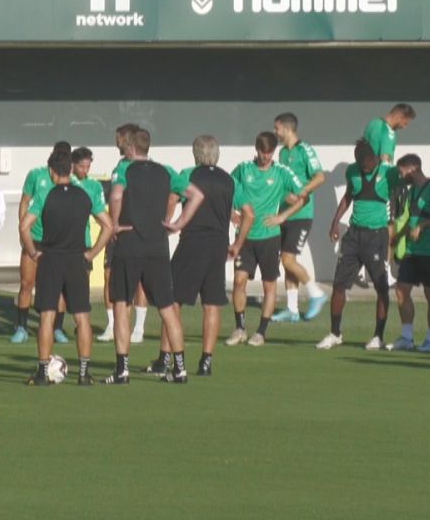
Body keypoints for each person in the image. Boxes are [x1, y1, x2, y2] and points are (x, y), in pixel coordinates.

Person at [106, 128, 199, 384]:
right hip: (157, 245)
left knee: (122, 305)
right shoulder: (166, 171)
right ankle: (179, 369)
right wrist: (178, 223)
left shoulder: (124, 169)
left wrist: (114, 224)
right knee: (167, 308)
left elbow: (115, 195)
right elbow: (196, 195)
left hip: (130, 243)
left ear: (132, 147)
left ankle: (122, 369)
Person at [19, 150, 114, 386]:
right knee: (82, 318)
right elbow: (108, 226)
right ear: (70, 170)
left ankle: (42, 372)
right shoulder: (84, 196)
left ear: (52, 171)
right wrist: (91, 253)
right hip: (76, 260)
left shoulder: (45, 195)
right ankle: (83, 373)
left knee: (47, 318)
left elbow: (24, 227)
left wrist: (32, 251)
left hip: (51, 259)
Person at [171, 136, 250, 378]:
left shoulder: (188, 174)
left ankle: (172, 358)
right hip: (218, 243)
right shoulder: (229, 180)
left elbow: (173, 197)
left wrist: (168, 223)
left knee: (172, 301)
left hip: (193, 240)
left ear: (196, 154)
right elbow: (249, 213)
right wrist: (238, 243)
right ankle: (206, 361)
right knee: (212, 303)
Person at [227, 132, 307, 348]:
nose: (266, 156)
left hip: (269, 238)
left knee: (269, 286)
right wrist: (231, 212)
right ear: (256, 149)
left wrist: (282, 216)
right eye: (263, 152)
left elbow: (303, 196)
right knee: (239, 281)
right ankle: (240, 328)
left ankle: (261, 332)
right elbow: (226, 189)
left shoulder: (282, 172)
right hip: (245, 237)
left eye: (270, 152)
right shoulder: (244, 169)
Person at [318, 140, 399, 351]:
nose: (366, 168)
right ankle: (335, 333)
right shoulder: (352, 172)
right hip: (354, 235)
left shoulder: (388, 172)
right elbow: (348, 197)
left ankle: (378, 336)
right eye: (362, 165)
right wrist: (335, 222)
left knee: (381, 287)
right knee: (338, 285)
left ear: (374, 158)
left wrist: (395, 228)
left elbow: (401, 195)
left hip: (376, 236)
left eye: (369, 164)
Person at [13, 141, 75, 344]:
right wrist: (24, 233)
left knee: (58, 288)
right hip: (36, 238)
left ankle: (57, 328)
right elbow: (24, 202)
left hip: (56, 243)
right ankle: (21, 327)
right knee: (26, 283)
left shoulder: (71, 181)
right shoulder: (36, 175)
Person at [390, 154, 430, 353]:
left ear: (413, 168)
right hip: (412, 250)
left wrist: (425, 225)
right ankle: (407, 337)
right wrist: (398, 235)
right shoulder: (413, 191)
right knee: (401, 290)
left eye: (402, 172)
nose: (401, 176)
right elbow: (412, 218)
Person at [272, 113, 327, 323]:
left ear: (286, 128)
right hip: (285, 213)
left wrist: (303, 191)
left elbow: (320, 177)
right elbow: (285, 184)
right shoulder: (283, 153)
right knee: (287, 262)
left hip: (302, 214)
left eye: (277, 128)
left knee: (287, 259)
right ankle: (292, 309)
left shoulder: (305, 150)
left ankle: (316, 294)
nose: (275, 132)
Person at [99, 123, 150, 344]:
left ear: (128, 141)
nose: (115, 142)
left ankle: (138, 328)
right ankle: (112, 325)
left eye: (118, 139)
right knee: (110, 276)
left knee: (140, 281)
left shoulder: (146, 168)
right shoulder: (119, 166)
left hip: (135, 232)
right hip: (116, 232)